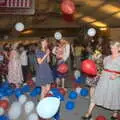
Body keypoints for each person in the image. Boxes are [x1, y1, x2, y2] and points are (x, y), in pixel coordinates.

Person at [82, 41, 120, 120]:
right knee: (96, 95)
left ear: (119, 48)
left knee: (115, 96)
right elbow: (103, 68)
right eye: (111, 48)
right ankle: (88, 113)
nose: (112, 49)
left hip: (115, 80)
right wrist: (99, 72)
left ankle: (115, 113)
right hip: (104, 79)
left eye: (114, 48)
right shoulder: (107, 58)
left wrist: (117, 75)